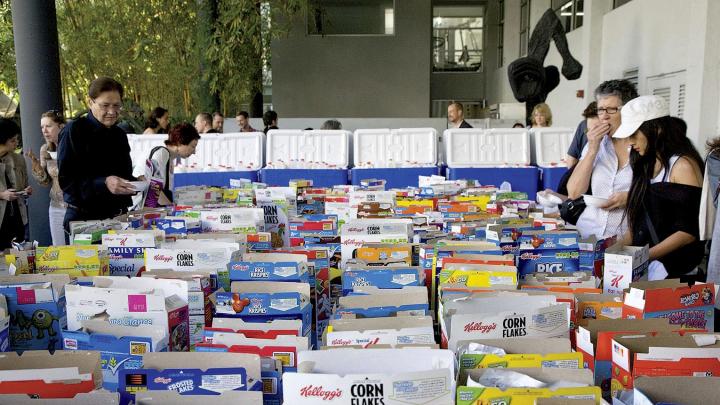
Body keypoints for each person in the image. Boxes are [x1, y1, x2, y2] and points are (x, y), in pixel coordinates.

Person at [613, 95, 704, 279]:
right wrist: (613, 252)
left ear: (658, 129)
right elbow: (636, 223)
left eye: (634, 134)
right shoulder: (645, 163)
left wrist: (643, 257)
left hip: (676, 275)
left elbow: (688, 232)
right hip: (645, 272)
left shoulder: (682, 166)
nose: (630, 142)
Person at [58, 77, 137, 241]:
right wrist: (104, 183)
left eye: (117, 106)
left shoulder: (119, 134)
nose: (112, 111)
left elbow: (123, 174)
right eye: (105, 105)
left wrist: (135, 182)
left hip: (118, 220)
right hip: (85, 221)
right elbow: (67, 181)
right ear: (90, 102)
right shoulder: (73, 131)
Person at [567, 79, 638, 239]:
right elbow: (574, 192)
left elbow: (657, 195)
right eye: (600, 110)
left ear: (627, 111)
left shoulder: (641, 146)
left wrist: (631, 197)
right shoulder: (597, 144)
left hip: (625, 239)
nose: (604, 117)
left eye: (612, 110)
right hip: (588, 233)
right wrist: (592, 149)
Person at [26, 110, 66, 245]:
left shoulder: (72, 145)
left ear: (60, 126)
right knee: (58, 247)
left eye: (48, 126)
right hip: (56, 205)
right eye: (42, 127)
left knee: (79, 248)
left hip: (76, 205)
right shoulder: (45, 149)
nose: (44, 130)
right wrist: (35, 164)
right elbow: (45, 182)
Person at [142, 123, 200, 207]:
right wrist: (172, 208)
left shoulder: (169, 159)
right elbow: (153, 190)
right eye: (193, 146)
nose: (194, 152)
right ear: (180, 142)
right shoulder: (161, 153)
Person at [0, 119, 30, 248]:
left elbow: (23, 185)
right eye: (13, 140)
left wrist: (26, 191)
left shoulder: (18, 159)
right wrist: (2, 195)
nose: (16, 143)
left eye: (17, 139)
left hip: (16, 216)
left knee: (19, 257)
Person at [566, 102, 599, 167]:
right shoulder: (583, 125)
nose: (589, 135)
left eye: (596, 130)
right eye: (588, 130)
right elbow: (571, 162)